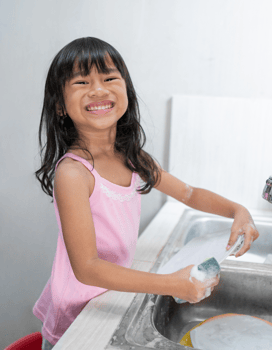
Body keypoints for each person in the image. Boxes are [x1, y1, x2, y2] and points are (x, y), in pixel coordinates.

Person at [32, 37, 259, 349]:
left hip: (109, 297)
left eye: (109, 78)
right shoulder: (73, 174)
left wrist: (238, 211)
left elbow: (190, 194)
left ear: (126, 90)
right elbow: (87, 268)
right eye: (82, 82)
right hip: (77, 314)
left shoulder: (132, 157)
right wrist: (172, 284)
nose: (98, 89)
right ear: (59, 105)